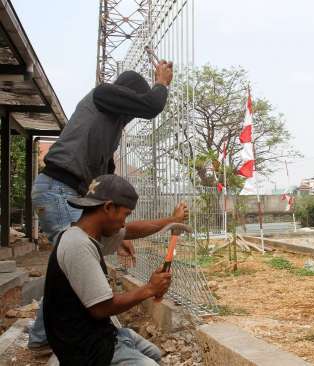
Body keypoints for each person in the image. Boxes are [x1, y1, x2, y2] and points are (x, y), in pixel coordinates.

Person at [29, 62, 174, 352]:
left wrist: (114, 232)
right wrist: (162, 82)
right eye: (131, 107)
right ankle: (88, 339)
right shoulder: (105, 94)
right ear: (125, 94)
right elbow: (151, 106)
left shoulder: (111, 128)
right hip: (59, 187)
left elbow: (103, 182)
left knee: (70, 266)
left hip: (65, 189)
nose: (132, 115)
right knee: (79, 264)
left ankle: (43, 337)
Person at [43, 174, 183, 365]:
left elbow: (132, 230)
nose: (124, 223)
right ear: (108, 207)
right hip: (85, 350)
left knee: (154, 354)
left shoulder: (87, 235)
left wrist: (172, 220)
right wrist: (149, 288)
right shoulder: (78, 245)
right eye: (125, 214)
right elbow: (102, 308)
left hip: (99, 334)